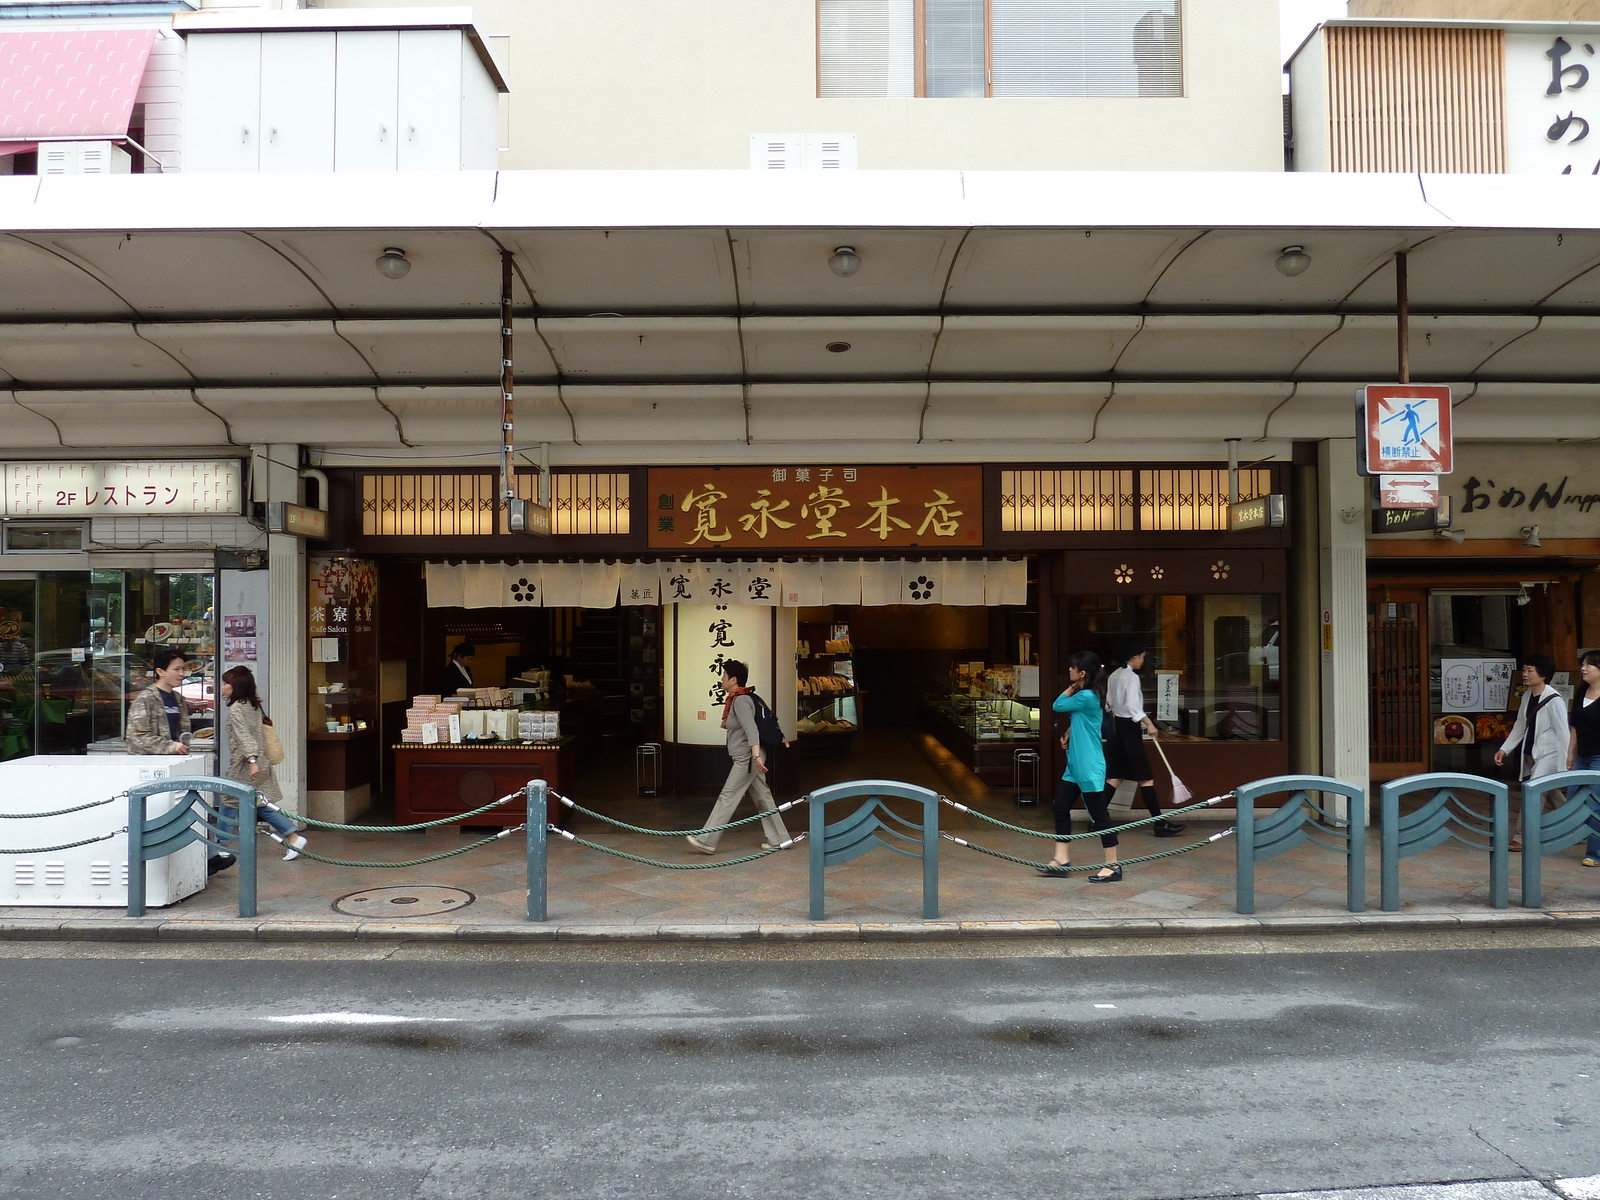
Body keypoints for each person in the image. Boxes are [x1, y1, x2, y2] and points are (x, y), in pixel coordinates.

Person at [686, 659, 791, 854]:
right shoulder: (744, 697)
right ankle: (780, 839)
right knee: (763, 798)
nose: (722, 679)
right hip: (750, 757)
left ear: (733, 679)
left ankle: (707, 839)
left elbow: (752, 730)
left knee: (728, 796)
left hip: (747, 758)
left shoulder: (741, 700)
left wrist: (756, 756)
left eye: (724, 676)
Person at [1039, 650, 1122, 882]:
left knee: (1100, 816)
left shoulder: (1086, 695)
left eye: (1072, 668)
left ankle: (1113, 866)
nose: (1069, 670)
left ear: (1082, 673)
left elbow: (1057, 704)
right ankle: (1061, 859)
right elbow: (1080, 721)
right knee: (1061, 807)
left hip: (1088, 765)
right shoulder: (1089, 695)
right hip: (1076, 764)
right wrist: (1067, 733)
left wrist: (1072, 686)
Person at [222, 666, 307, 862]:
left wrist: (251, 761)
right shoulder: (252, 705)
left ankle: (221, 846)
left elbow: (244, 736)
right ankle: (293, 837)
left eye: (227, 683)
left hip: (245, 765)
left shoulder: (236, 708)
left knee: (229, 801)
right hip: (262, 760)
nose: (223, 687)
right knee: (260, 804)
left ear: (236, 686)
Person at [1103, 639, 1186, 838]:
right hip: (1130, 731)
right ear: (1134, 656)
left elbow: (1108, 704)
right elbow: (1133, 706)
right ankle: (1159, 824)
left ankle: (1096, 820)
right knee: (1145, 778)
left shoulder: (1114, 675)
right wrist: (1149, 723)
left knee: (1115, 777)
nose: (1142, 660)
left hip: (1118, 729)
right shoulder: (1130, 677)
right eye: (1142, 657)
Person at [1495, 654, 1566, 852]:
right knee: (1549, 791)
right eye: (1524, 670)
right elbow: (1520, 726)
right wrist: (1505, 749)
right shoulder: (1527, 695)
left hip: (1550, 752)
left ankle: (1521, 837)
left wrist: (1565, 763)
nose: (1524, 674)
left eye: (1529, 671)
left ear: (1542, 675)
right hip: (1533, 750)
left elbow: (1563, 733)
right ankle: (1576, 824)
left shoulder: (1554, 700)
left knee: (1533, 791)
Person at [126, 647, 193, 756]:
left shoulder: (179, 699)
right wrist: (171, 746)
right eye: (176, 669)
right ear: (160, 671)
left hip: (176, 761)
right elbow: (137, 737)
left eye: (183, 669)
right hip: (150, 764)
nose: (182, 674)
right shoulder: (145, 699)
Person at [1568, 650, 1600, 868]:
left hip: (1599, 756)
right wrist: (1570, 753)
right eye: (1582, 664)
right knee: (1574, 798)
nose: (1583, 668)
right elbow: (1574, 726)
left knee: (1595, 804)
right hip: (1581, 755)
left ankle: (1595, 853)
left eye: (1589, 665)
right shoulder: (1581, 692)